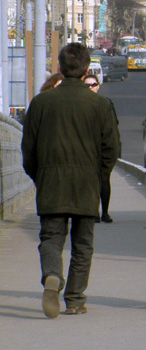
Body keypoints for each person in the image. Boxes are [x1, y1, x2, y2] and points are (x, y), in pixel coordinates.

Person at [21, 43, 120, 317]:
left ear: (60, 69)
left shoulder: (40, 103)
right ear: (87, 69)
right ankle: (75, 299)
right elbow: (112, 149)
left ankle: (52, 275)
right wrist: (99, 176)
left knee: (51, 237)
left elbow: (27, 147)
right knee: (83, 243)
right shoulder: (100, 105)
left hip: (51, 180)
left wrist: (38, 175)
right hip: (86, 183)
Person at [84, 73, 118, 223]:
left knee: (104, 180)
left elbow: (113, 127)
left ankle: (104, 212)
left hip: (103, 149)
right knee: (91, 182)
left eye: (93, 84)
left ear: (98, 86)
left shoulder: (106, 103)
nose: (91, 88)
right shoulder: (81, 104)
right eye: (87, 85)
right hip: (86, 149)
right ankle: (93, 212)